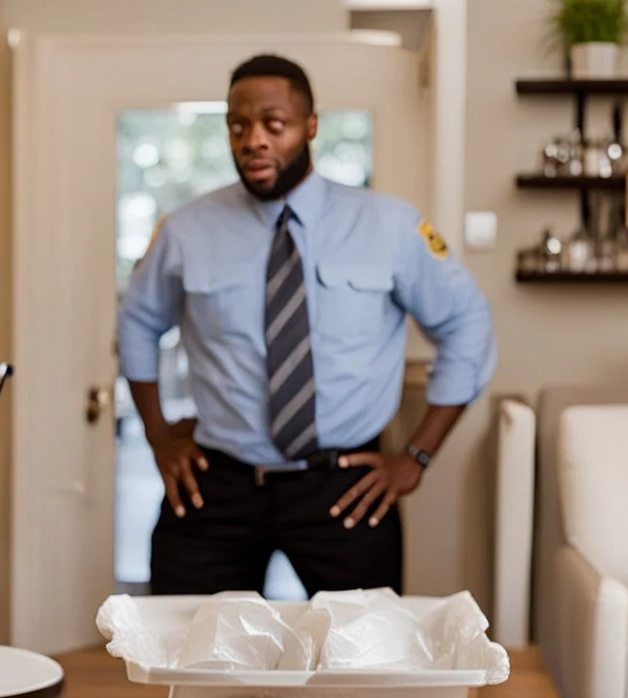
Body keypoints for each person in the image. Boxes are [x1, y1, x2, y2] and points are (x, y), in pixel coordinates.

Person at [118, 54, 496, 598]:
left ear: (311, 126)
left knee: (362, 666)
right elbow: (138, 321)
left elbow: (467, 322)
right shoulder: (186, 231)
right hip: (217, 485)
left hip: (345, 486)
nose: (254, 140)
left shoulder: (389, 225)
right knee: (190, 658)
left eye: (275, 124)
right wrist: (157, 436)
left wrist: (416, 456)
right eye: (238, 125)